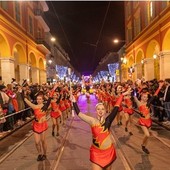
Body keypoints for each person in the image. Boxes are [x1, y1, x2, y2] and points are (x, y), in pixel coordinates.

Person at [71, 89, 131, 170]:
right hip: (96, 153)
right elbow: (79, 113)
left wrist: (122, 95)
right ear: (96, 111)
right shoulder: (92, 121)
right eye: (98, 109)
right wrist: (74, 102)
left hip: (108, 152)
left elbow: (116, 107)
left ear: (105, 111)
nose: (100, 111)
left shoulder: (108, 121)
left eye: (102, 109)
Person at [24, 84, 58, 161]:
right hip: (36, 125)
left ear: (42, 100)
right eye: (37, 99)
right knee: (36, 142)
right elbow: (25, 100)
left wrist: (54, 88)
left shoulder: (45, 106)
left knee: (43, 141)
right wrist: (24, 92)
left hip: (43, 125)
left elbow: (49, 98)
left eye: (40, 99)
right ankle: (40, 153)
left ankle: (45, 154)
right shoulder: (34, 106)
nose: (38, 100)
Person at [133, 81, 164, 154]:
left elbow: (154, 95)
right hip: (142, 121)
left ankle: (144, 146)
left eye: (146, 97)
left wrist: (159, 88)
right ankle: (142, 145)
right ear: (141, 97)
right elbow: (134, 96)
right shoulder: (139, 103)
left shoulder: (148, 103)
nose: (145, 98)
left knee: (147, 136)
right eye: (144, 97)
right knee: (147, 134)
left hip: (149, 121)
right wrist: (134, 88)